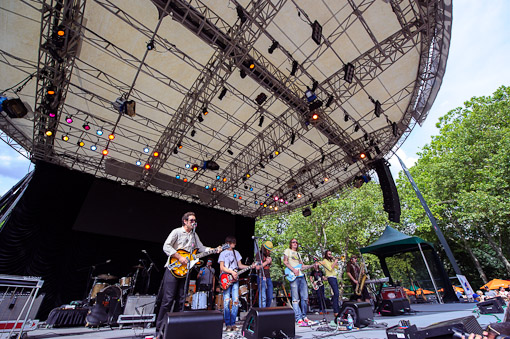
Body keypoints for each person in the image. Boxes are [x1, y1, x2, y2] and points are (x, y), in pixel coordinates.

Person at [156, 212, 222, 333]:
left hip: (185, 271)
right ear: (185, 221)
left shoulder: (194, 235)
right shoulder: (176, 232)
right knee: (168, 299)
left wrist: (214, 250)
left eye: (194, 220)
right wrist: (179, 257)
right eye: (191, 220)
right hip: (173, 268)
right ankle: (159, 328)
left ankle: (175, 327)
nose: (194, 222)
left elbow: (202, 248)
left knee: (181, 299)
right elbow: (166, 246)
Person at [219, 236, 254, 331]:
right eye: (233, 243)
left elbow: (240, 265)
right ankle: (227, 324)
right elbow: (222, 267)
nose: (235, 244)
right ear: (229, 243)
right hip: (226, 277)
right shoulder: (222, 253)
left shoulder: (236, 253)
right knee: (226, 301)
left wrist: (250, 266)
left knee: (235, 301)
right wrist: (231, 272)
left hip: (235, 279)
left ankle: (233, 323)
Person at [283, 238, 314, 326]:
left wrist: (312, 265)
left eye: (296, 242)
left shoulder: (299, 254)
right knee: (295, 299)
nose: (295, 243)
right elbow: (285, 262)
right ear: (290, 243)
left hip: (301, 276)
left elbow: (302, 266)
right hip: (293, 275)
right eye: (293, 242)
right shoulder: (287, 251)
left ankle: (304, 316)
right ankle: (298, 318)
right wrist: (293, 270)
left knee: (305, 297)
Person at [321, 250, 340, 318]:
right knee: (336, 293)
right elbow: (330, 269)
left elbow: (337, 267)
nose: (330, 255)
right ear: (326, 255)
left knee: (337, 293)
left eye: (331, 254)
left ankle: (337, 309)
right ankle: (335, 310)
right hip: (330, 277)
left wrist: (335, 261)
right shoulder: (325, 261)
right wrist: (335, 262)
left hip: (334, 277)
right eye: (329, 254)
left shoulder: (331, 261)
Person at [255, 241, 274, 308]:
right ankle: (262, 312)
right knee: (263, 297)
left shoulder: (268, 255)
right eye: (268, 250)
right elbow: (257, 267)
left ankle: (267, 311)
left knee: (270, 296)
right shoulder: (259, 254)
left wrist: (270, 262)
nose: (269, 252)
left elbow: (268, 266)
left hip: (268, 277)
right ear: (265, 249)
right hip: (261, 277)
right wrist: (266, 262)